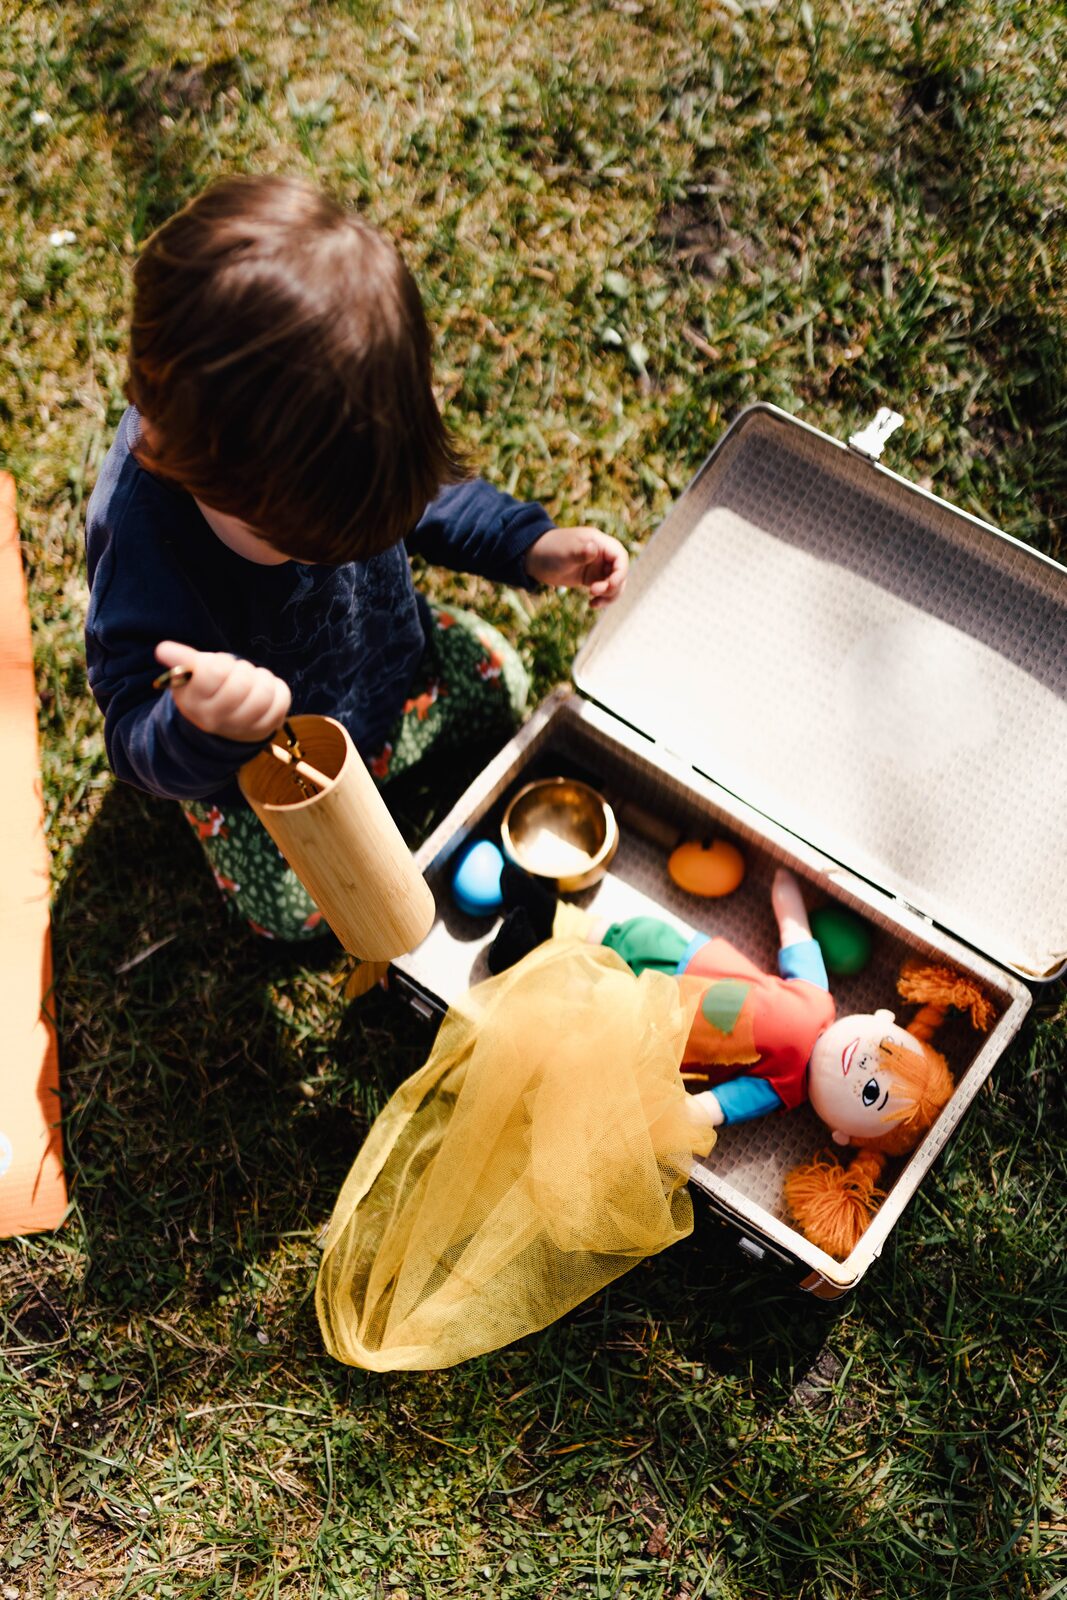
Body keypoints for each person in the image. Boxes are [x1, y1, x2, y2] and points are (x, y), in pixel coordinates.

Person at [84, 174, 628, 939]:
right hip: (267, 766)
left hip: (383, 673)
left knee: (502, 682)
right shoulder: (148, 548)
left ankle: (386, 744)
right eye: (300, 543)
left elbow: (430, 495)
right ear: (191, 467)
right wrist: (203, 724)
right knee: (295, 914)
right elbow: (130, 730)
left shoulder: (358, 433)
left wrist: (528, 545)